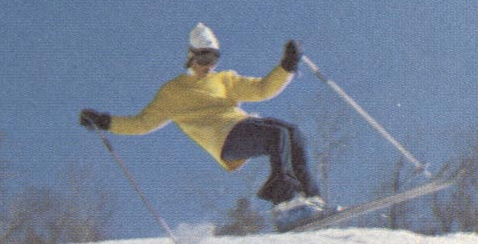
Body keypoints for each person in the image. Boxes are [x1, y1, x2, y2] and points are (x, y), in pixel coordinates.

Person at [80, 22, 326, 230]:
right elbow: (142, 123)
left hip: (242, 124)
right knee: (276, 135)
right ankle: (284, 204)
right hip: (224, 140)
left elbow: (263, 89)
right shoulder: (173, 92)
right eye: (205, 57)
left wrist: (287, 65)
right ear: (191, 56)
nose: (209, 65)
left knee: (293, 133)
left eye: (214, 58)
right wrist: (105, 122)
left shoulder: (223, 79)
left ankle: (313, 199)